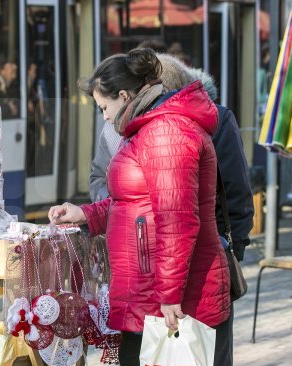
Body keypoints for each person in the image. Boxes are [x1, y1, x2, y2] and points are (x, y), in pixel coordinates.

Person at [49, 48, 231, 366]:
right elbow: (136, 203)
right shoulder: (153, 128)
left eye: (104, 108)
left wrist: (169, 296)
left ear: (124, 96)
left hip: (168, 298)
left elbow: (178, 221)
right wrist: (87, 214)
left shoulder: (165, 132)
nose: (105, 119)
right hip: (148, 289)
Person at [89, 52, 255, 262]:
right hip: (142, 252)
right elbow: (99, 179)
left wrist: (230, 249)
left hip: (200, 255)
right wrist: (116, 214)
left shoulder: (209, 123)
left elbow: (235, 195)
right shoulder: (116, 127)